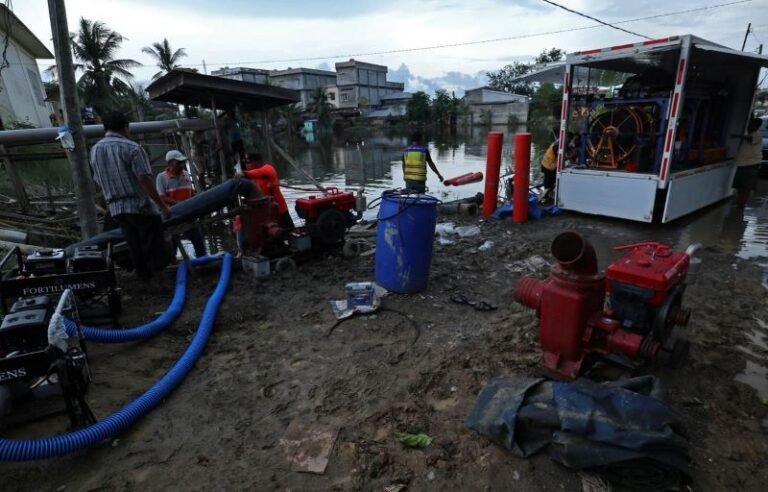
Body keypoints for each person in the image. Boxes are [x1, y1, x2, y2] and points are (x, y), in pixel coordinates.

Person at [90, 111, 171, 283]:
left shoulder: (95, 150)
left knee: (134, 244)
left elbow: (97, 180)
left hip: (116, 208)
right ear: (125, 127)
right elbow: (143, 179)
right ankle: (159, 279)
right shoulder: (132, 147)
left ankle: (144, 279)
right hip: (138, 205)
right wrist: (162, 205)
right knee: (153, 243)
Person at [233, 153, 294, 252]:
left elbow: (258, 172)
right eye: (246, 163)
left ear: (257, 162)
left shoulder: (268, 169)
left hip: (279, 210)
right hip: (264, 213)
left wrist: (244, 174)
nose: (247, 165)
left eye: (249, 162)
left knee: (289, 232)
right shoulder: (250, 177)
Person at [156, 150, 207, 257]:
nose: (182, 165)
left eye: (182, 162)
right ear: (170, 164)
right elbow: (162, 198)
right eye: (178, 163)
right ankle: (173, 264)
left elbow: (191, 193)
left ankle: (203, 262)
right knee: (172, 243)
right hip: (172, 216)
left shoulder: (186, 174)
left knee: (198, 240)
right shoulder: (161, 177)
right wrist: (180, 204)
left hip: (188, 214)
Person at [731, 117, 763, 208]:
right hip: (742, 163)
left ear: (756, 126)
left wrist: (737, 136)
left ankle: (742, 203)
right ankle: (739, 200)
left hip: (751, 164)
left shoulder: (757, 135)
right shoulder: (749, 134)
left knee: (746, 186)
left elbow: (750, 139)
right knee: (739, 185)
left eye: (751, 124)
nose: (749, 126)